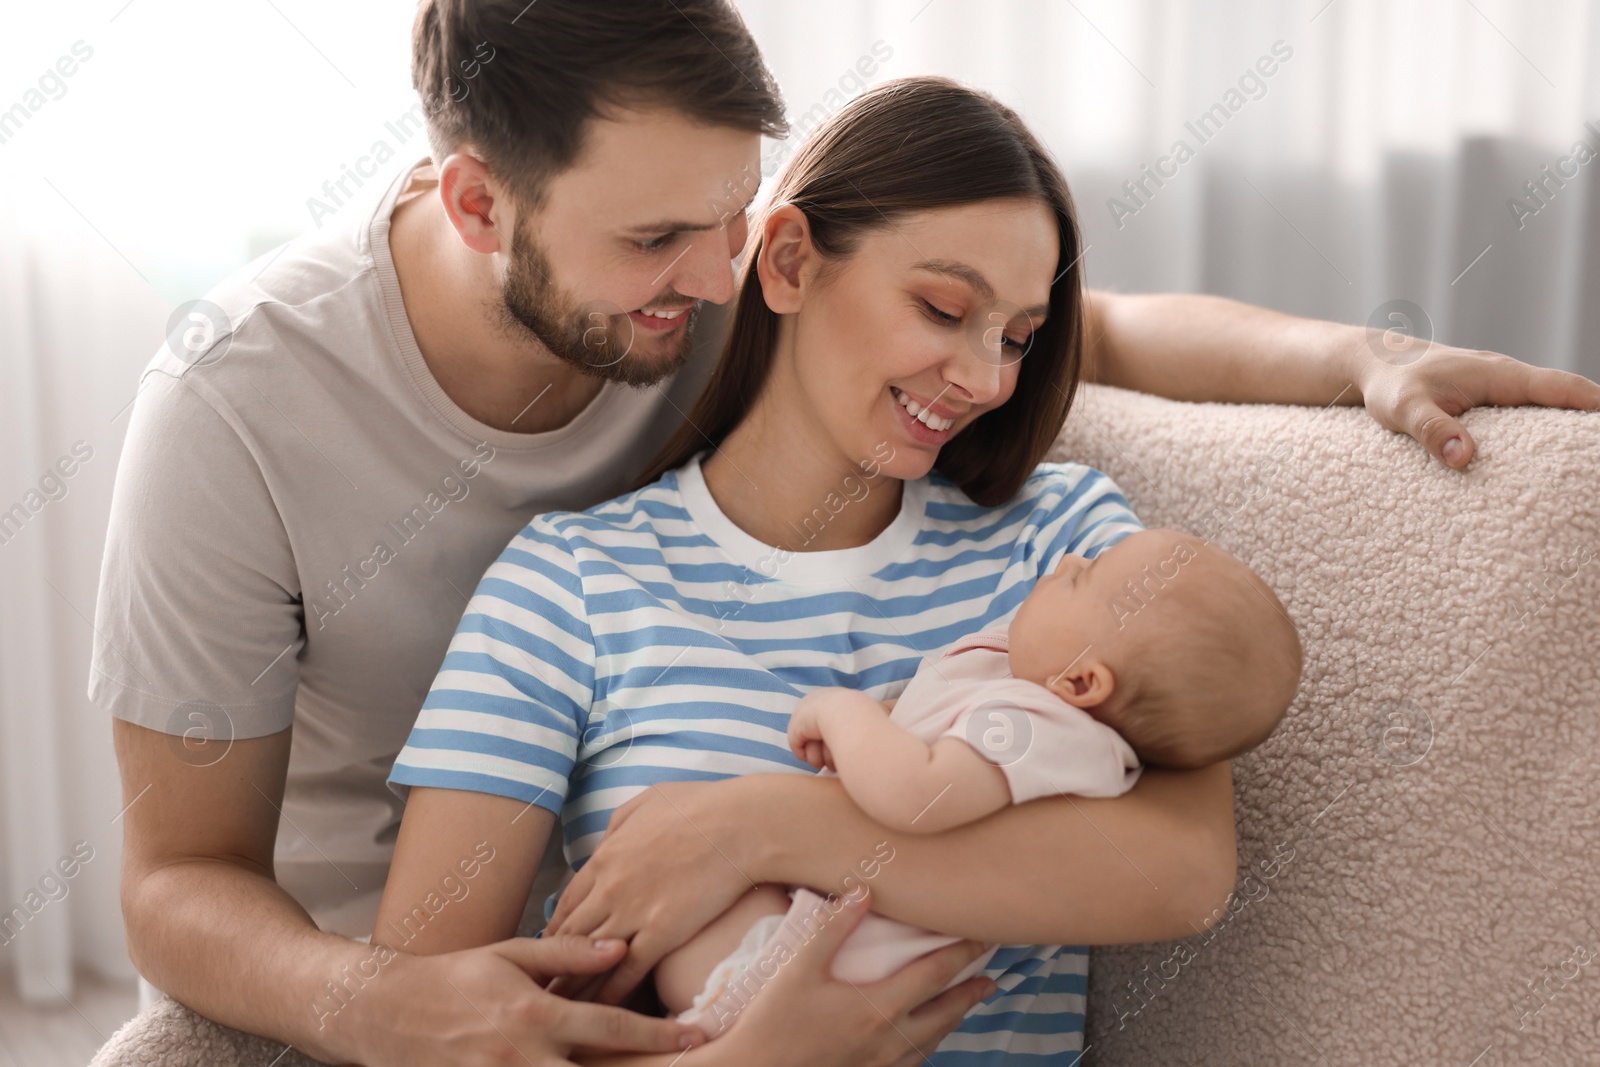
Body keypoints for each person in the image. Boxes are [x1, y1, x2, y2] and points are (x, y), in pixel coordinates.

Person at [92, 1, 1600, 1065]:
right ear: (479, 207)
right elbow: (319, 935)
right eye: (657, 241)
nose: (716, 271)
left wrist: (1357, 356)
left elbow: (1175, 868)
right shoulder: (464, 526)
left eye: (734, 218)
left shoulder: (1057, 542)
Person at [377, 76, 1273, 1064]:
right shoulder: (570, 585)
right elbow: (426, 1021)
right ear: (793, 262)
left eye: (1017, 337)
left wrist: (758, 826)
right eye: (941, 307)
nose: (984, 379)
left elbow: (1182, 873)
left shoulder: (1064, 548)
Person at [657, 527, 1303, 1039]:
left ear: (1082, 682)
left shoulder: (1043, 725)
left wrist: (841, 711)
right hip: (820, 946)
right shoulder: (1039, 701)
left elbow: (920, 792)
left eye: (1080, 578)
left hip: (807, 969)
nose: (1068, 558)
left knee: (672, 943)